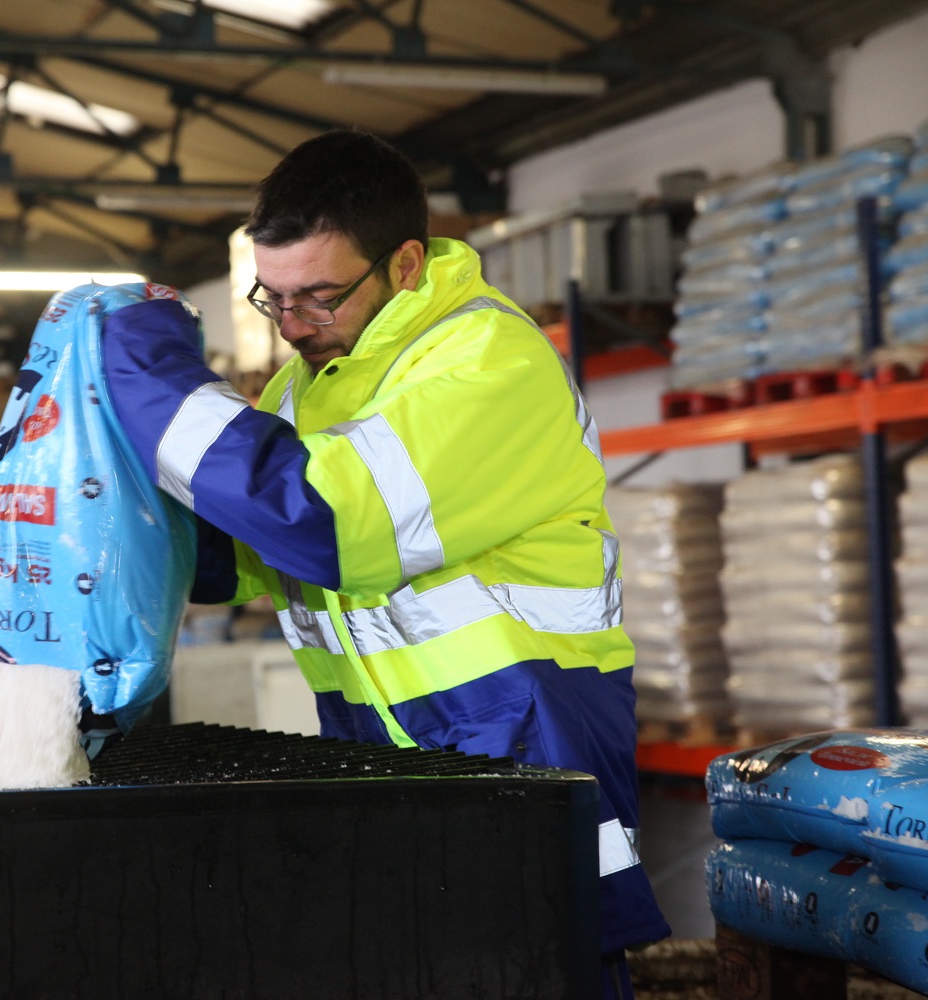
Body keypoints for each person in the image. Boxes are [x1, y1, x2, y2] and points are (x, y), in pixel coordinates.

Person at [99, 128, 670, 997]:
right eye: (273, 299)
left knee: (538, 963)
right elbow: (257, 554)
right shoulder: (310, 382)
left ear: (405, 264)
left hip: (520, 736)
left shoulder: (486, 361)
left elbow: (324, 522)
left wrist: (152, 381)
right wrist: (120, 545)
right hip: (384, 740)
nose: (292, 326)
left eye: (319, 297)